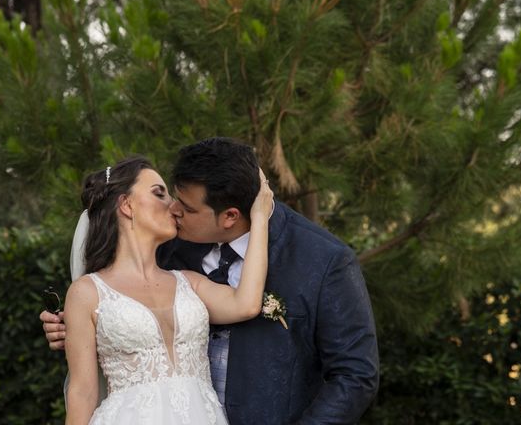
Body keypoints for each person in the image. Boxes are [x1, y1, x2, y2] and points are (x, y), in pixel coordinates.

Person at [42, 137, 379, 424]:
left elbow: (355, 376)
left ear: (230, 216)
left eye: (185, 208)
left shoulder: (322, 260)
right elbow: (118, 308)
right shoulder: (168, 244)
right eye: (167, 195)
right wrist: (74, 326)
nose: (173, 209)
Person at [62, 155, 273, 424]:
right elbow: (83, 393)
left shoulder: (189, 281)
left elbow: (247, 304)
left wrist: (259, 219)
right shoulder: (87, 293)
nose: (173, 206)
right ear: (127, 205)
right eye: (159, 193)